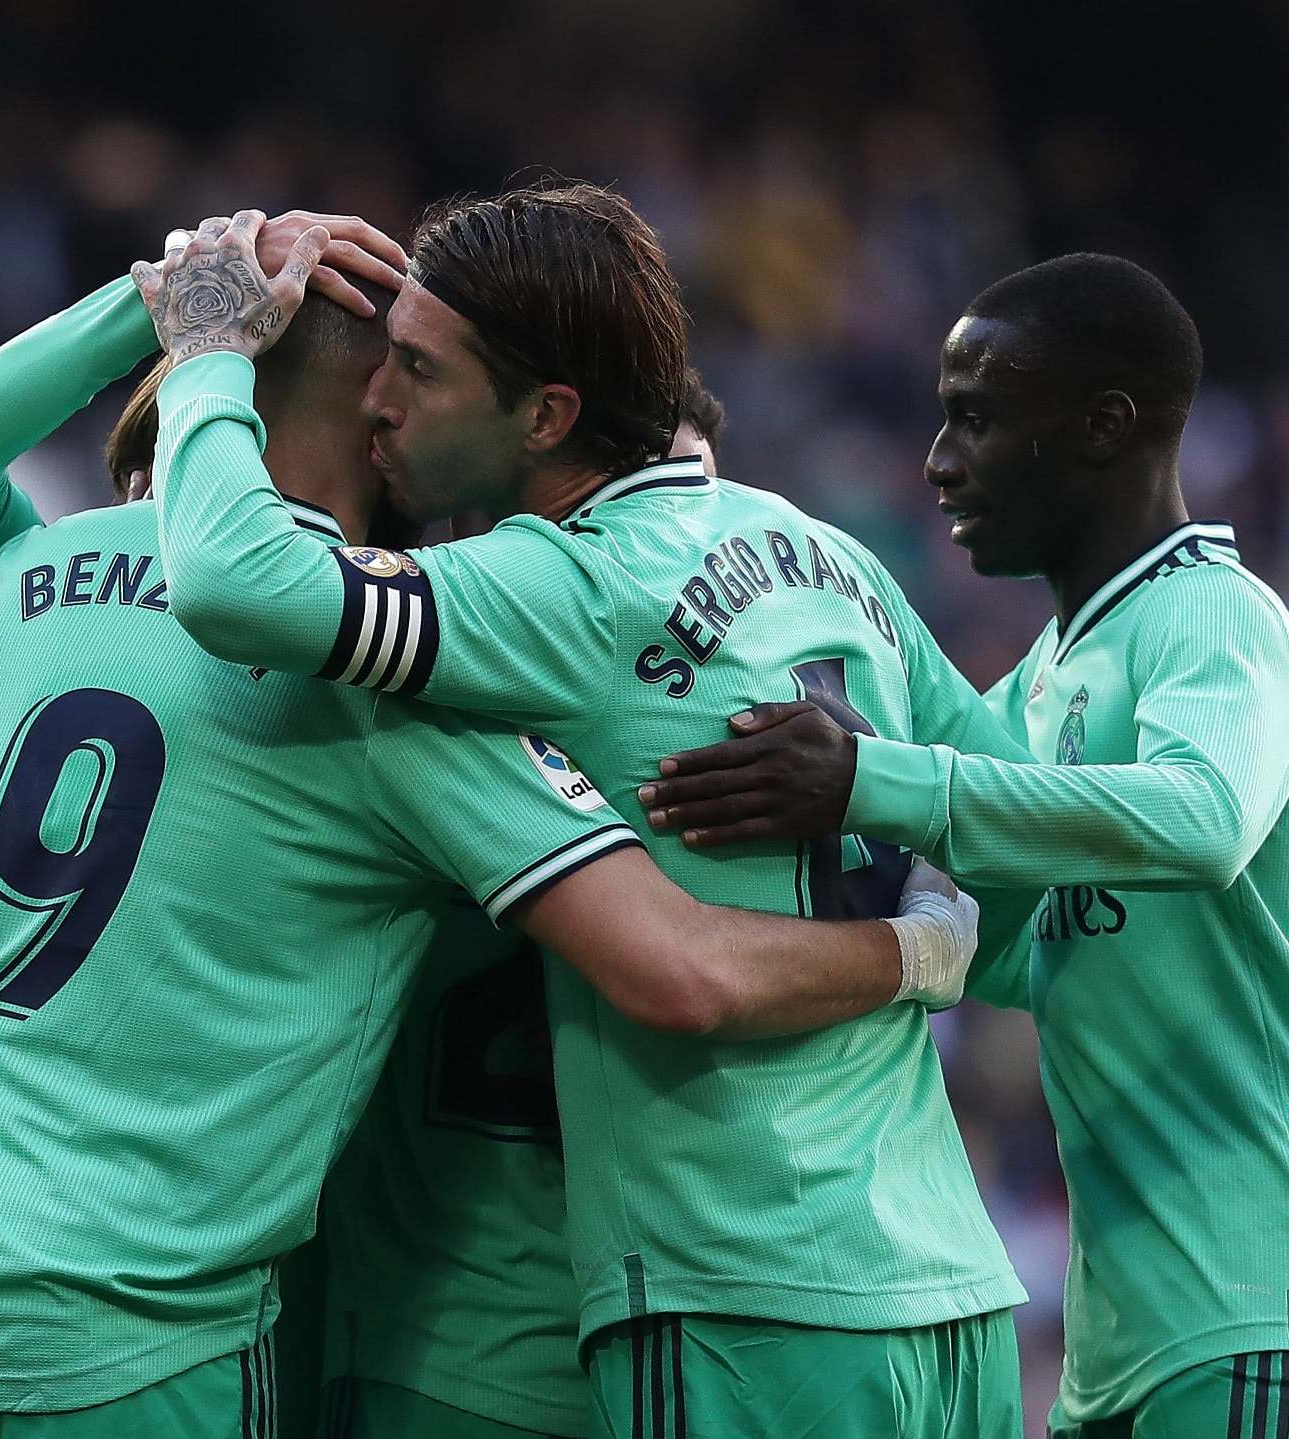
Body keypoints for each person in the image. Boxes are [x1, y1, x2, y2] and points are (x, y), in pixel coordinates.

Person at [0, 224, 978, 1438]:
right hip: (186, 1328)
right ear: (383, 433)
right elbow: (679, 965)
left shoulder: (24, 581)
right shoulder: (403, 691)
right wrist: (925, 948)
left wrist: (181, 297)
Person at [136, 191, 1034, 1436]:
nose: (379, 402)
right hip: (945, 1279)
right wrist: (925, 907)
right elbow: (1020, 837)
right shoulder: (830, 555)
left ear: (548, 415)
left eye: (415, 368)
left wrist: (203, 347)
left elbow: (234, 581)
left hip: (722, 1286)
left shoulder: (554, 586)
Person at [637, 253, 1289, 1439]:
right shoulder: (1042, 680)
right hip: (1122, 1332)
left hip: (1249, 1305)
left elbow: (1202, 819)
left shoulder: (1210, 610)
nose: (937, 460)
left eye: (976, 419)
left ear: (1102, 428)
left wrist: (873, 777)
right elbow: (999, 953)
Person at [312, 371, 729, 1439]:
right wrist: (913, 948)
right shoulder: (690, 732)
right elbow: (684, 967)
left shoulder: (381, 717)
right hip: (603, 1323)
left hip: (449, 1338)